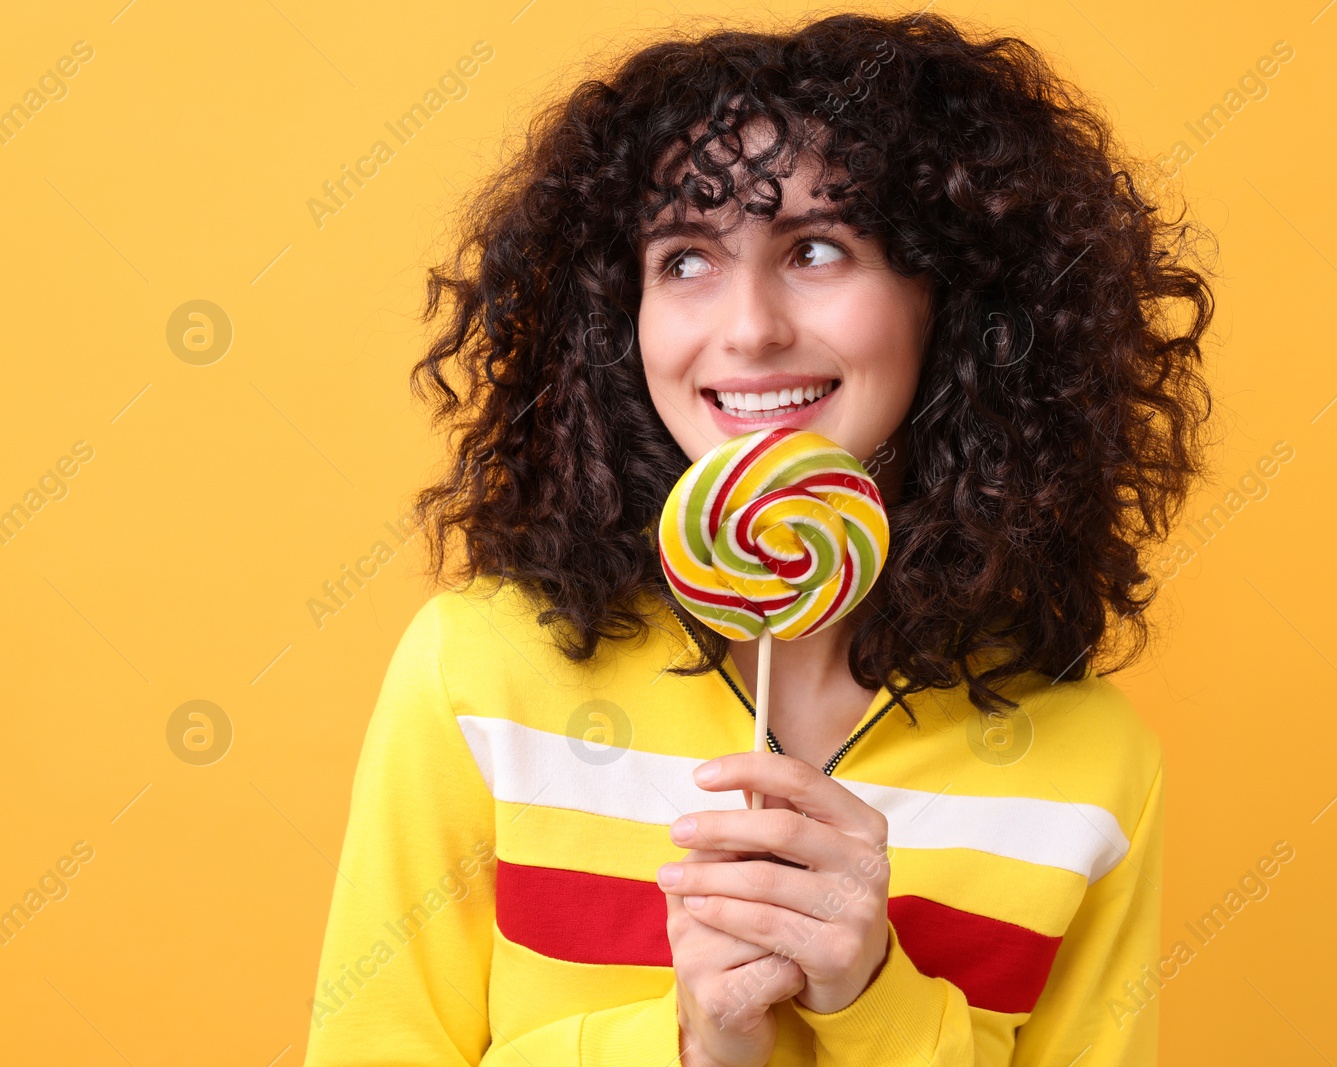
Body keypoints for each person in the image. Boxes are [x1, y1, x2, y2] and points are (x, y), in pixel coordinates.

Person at [303, 10, 1214, 1066]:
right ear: (617, 315)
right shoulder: (479, 674)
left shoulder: (1088, 763)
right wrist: (692, 1047)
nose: (747, 328)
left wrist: (871, 996)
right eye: (685, 259)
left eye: (816, 248)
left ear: (955, 302)